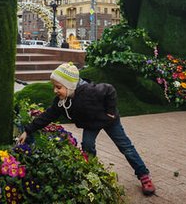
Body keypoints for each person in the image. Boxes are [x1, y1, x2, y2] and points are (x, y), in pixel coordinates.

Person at [17, 62, 156, 196]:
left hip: (109, 121)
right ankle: (93, 173)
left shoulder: (89, 91)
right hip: (91, 124)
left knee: (125, 147)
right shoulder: (61, 102)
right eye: (54, 87)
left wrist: (111, 111)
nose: (55, 90)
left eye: (58, 87)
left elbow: (110, 90)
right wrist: (28, 130)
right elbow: (47, 116)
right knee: (87, 146)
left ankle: (143, 175)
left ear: (70, 86)